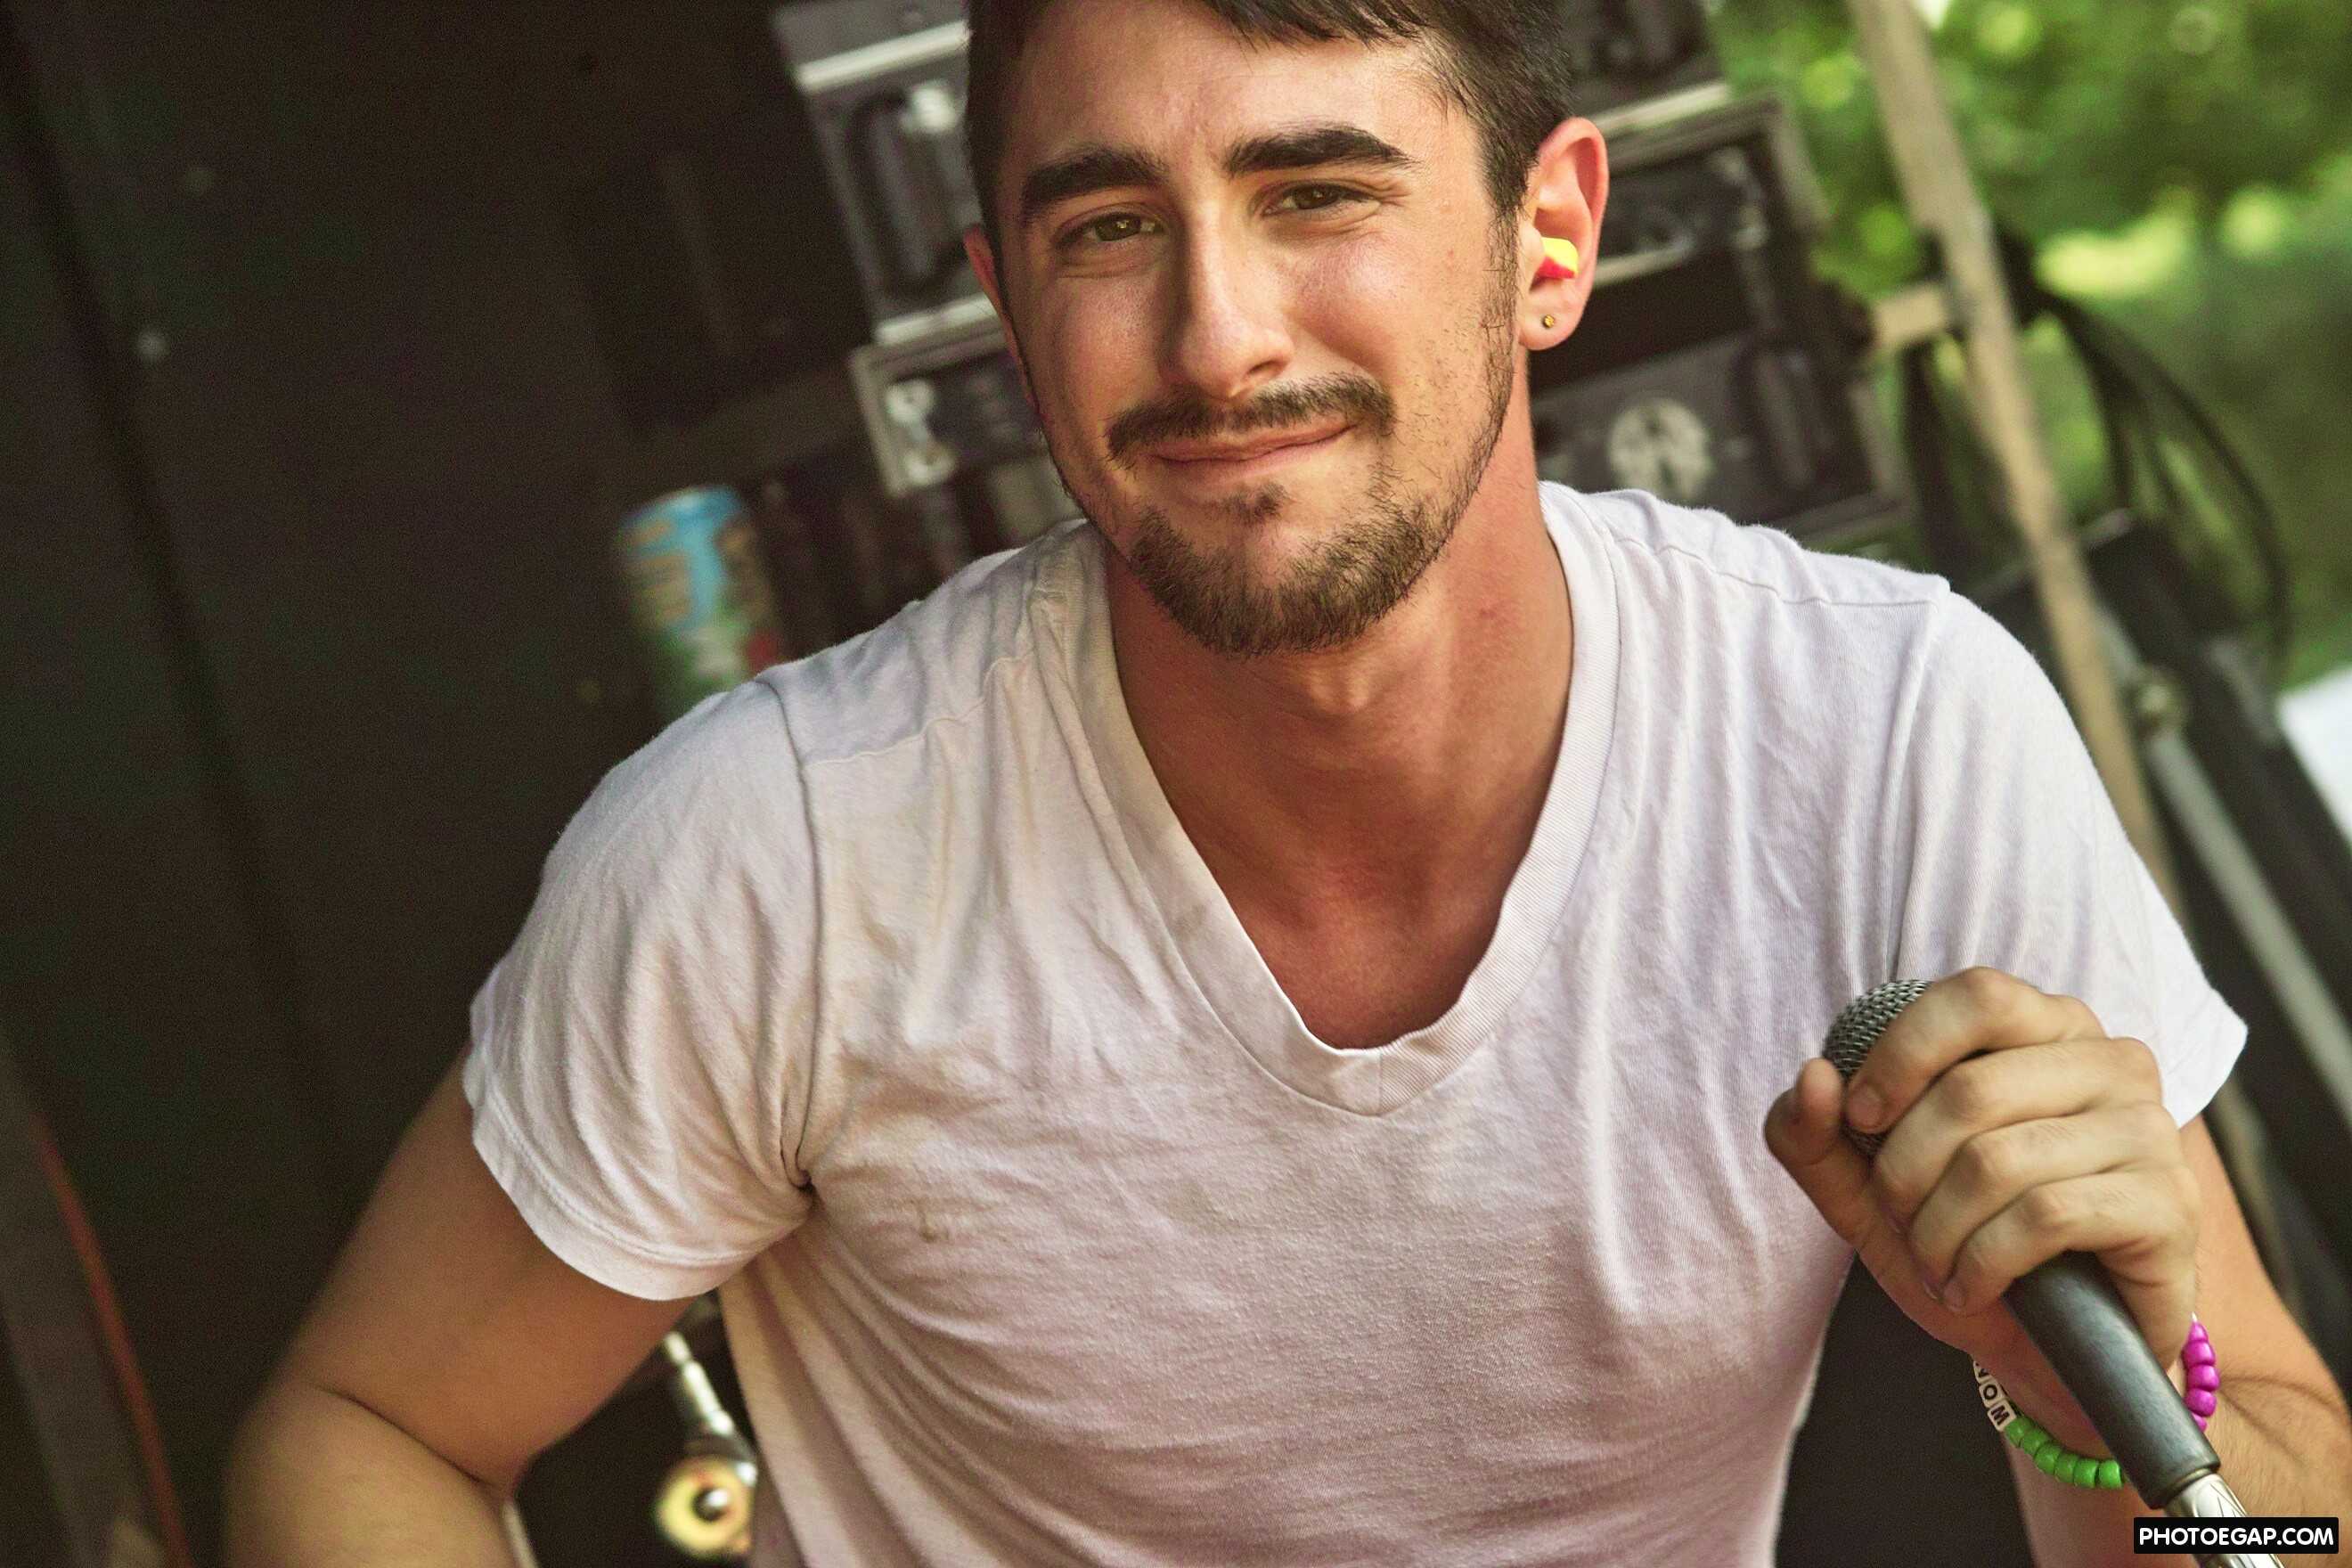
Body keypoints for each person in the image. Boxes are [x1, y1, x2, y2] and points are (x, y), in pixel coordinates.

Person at [225, 1, 2352, 1563]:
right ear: (1005, 306)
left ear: (1548, 238)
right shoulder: (777, 850)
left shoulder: (1882, 731)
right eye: (1105, 228)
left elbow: (2274, 1512)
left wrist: (2114, 1399)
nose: (1218, 337)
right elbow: (367, 1425)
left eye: (1315, 191)